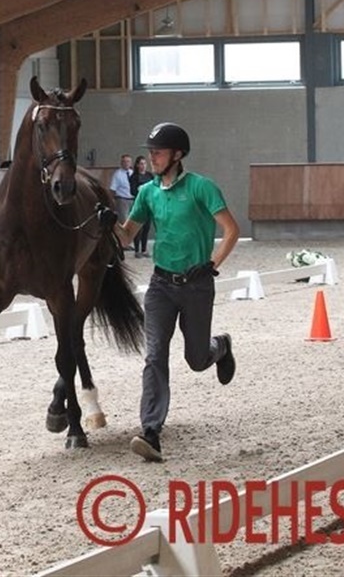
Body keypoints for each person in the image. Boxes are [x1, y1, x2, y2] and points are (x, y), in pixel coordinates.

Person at [103, 122, 239, 463]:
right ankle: (151, 431)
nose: (152, 158)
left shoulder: (201, 187)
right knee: (154, 356)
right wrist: (109, 224)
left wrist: (211, 265)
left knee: (196, 359)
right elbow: (126, 236)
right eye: (150, 152)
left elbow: (231, 230)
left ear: (177, 155)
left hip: (197, 285)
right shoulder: (148, 192)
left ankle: (220, 346)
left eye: (158, 153)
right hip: (161, 286)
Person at [128, 155, 153, 258]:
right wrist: (141, 189)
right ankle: (137, 250)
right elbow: (133, 191)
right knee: (138, 228)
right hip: (139, 203)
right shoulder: (134, 177)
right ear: (137, 165)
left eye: (145, 163)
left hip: (148, 204)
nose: (143, 166)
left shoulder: (150, 175)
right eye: (141, 164)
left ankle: (144, 249)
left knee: (146, 227)